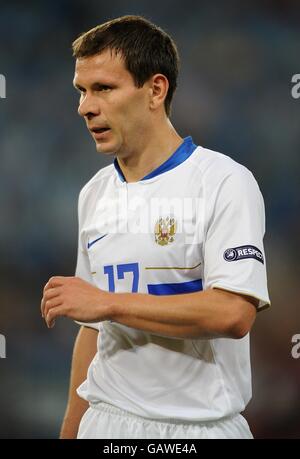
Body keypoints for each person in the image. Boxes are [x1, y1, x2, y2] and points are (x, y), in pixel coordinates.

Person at [41, 15, 270, 439]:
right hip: (105, 422)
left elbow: (233, 313)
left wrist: (109, 303)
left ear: (155, 90)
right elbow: (92, 332)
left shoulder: (223, 181)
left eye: (104, 88)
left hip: (196, 428)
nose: (85, 106)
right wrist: (71, 431)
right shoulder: (93, 193)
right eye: (82, 91)